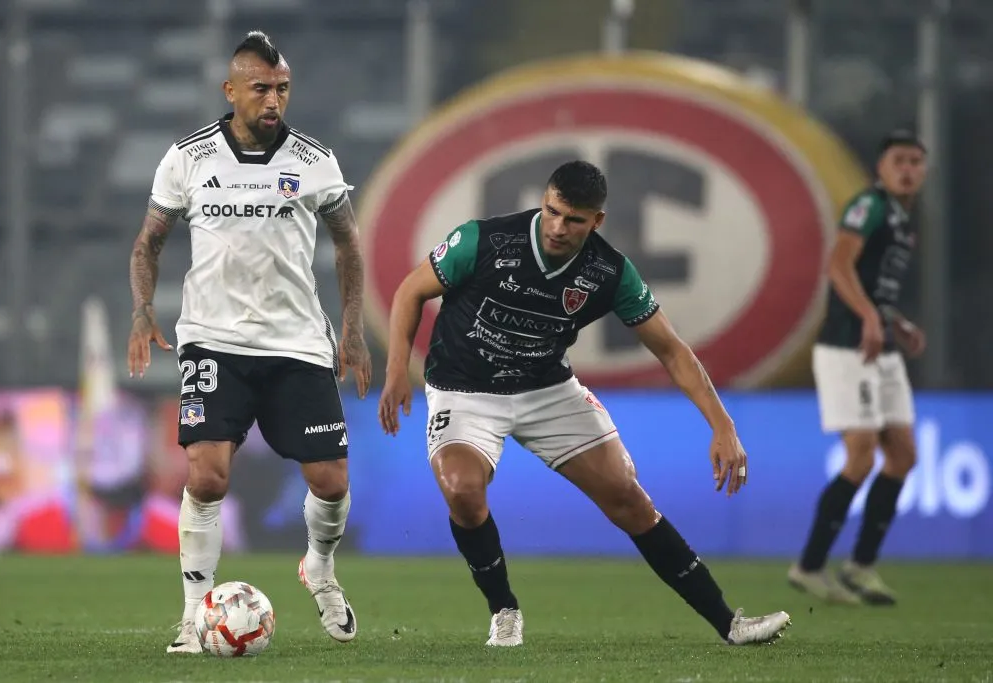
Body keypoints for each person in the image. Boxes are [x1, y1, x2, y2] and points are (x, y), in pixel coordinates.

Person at [378, 160, 791, 647]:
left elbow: (672, 350)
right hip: (465, 390)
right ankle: (504, 610)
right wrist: (396, 371)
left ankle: (729, 624)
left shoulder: (609, 271)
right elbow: (410, 292)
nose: (558, 227)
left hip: (548, 391)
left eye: (574, 219)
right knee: (463, 492)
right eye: (552, 211)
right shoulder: (483, 241)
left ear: (597, 220)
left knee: (628, 498)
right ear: (543, 200)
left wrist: (722, 425)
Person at [126, 31, 371, 652]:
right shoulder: (188, 158)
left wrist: (351, 328)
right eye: (260, 88)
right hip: (213, 341)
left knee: (332, 481)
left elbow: (348, 242)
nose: (273, 100)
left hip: (296, 343)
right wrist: (141, 311)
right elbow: (149, 242)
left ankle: (319, 567)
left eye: (282, 88)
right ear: (230, 91)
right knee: (207, 477)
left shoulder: (314, 161)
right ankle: (192, 615)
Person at [788, 130, 928, 605]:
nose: (907, 169)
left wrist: (895, 321)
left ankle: (861, 566)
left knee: (904, 455)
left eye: (915, 162)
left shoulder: (903, 221)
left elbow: (872, 282)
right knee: (862, 456)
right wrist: (868, 316)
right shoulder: (869, 205)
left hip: (882, 345)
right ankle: (809, 567)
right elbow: (838, 265)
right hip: (848, 346)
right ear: (881, 168)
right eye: (898, 160)